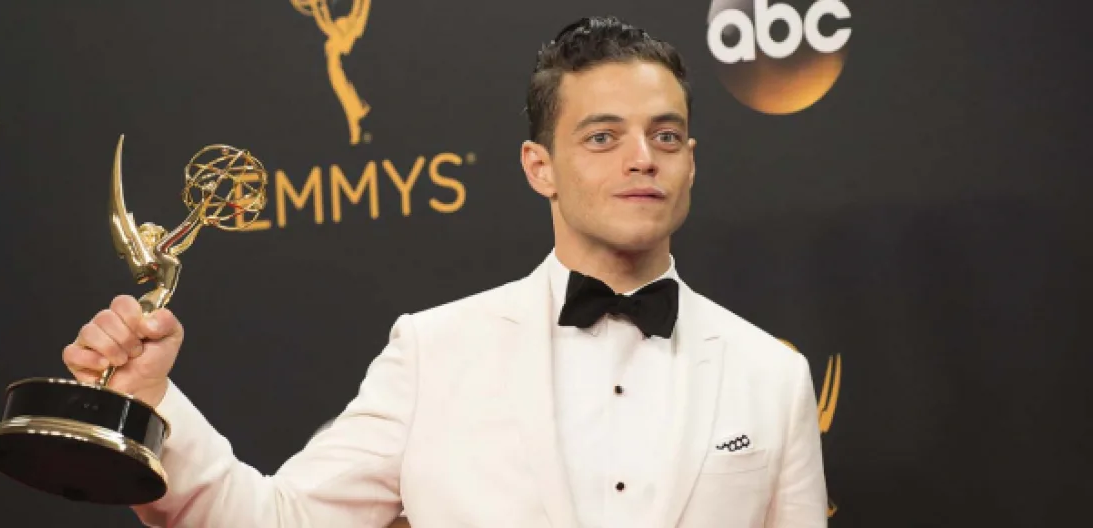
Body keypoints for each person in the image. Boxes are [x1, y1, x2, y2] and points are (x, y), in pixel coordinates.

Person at [63, 15, 828, 528]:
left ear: (690, 160)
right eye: (602, 137)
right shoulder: (435, 351)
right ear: (539, 166)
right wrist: (151, 402)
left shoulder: (771, 376)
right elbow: (280, 520)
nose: (641, 158)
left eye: (665, 136)